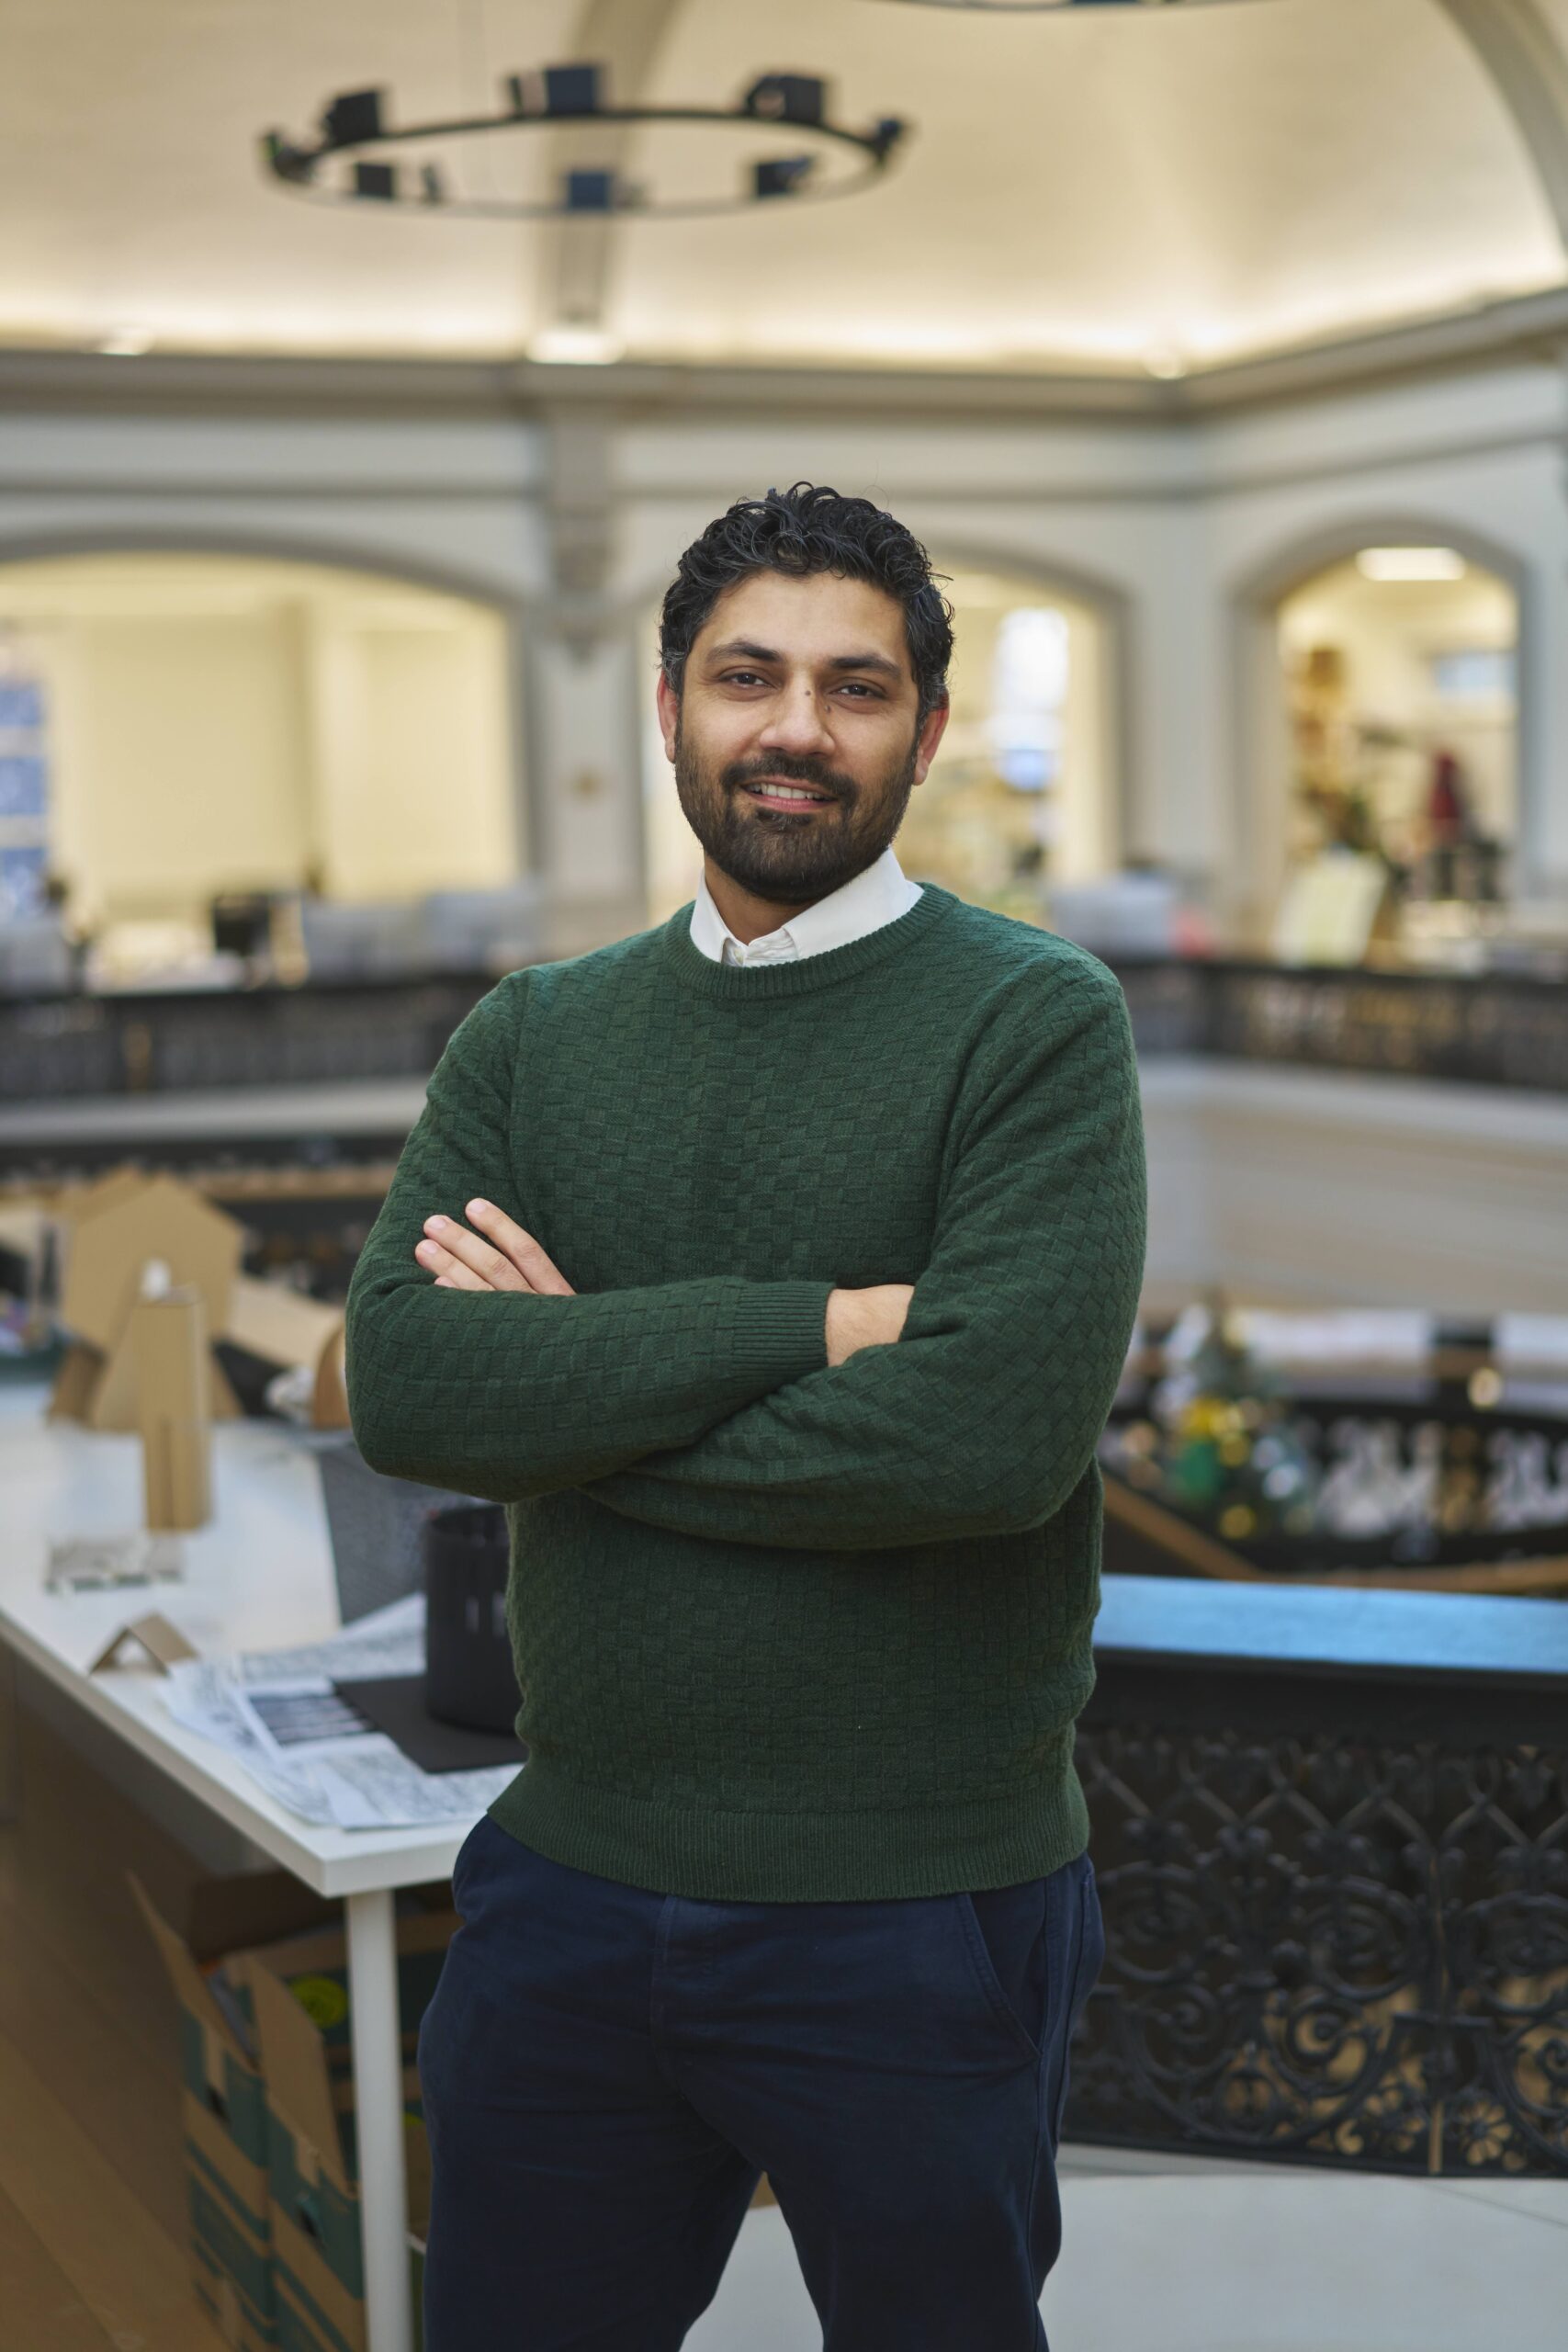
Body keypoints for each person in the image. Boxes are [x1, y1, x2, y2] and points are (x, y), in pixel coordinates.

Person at [344, 481, 1147, 2351]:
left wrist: (577, 1397)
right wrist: (812, 1322)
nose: (795, 725)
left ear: (924, 732)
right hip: (565, 1879)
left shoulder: (1032, 1019)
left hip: (915, 1901)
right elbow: (409, 1381)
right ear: (667, 705)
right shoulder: (533, 1034)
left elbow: (980, 1443)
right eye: (747, 675)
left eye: (854, 686)